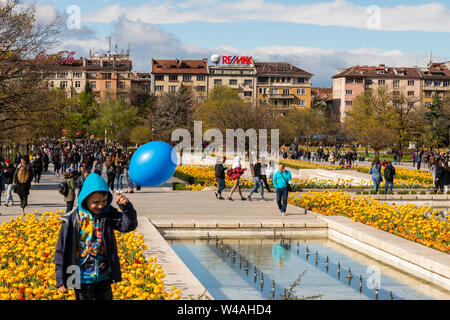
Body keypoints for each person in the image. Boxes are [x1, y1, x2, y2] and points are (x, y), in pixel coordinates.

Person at [55, 173, 138, 300]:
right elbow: (61, 250)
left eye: (104, 201)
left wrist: (126, 208)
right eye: (96, 202)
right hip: (81, 278)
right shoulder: (72, 219)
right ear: (85, 199)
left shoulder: (108, 214)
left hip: (104, 276)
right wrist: (61, 279)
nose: (101, 205)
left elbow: (128, 226)